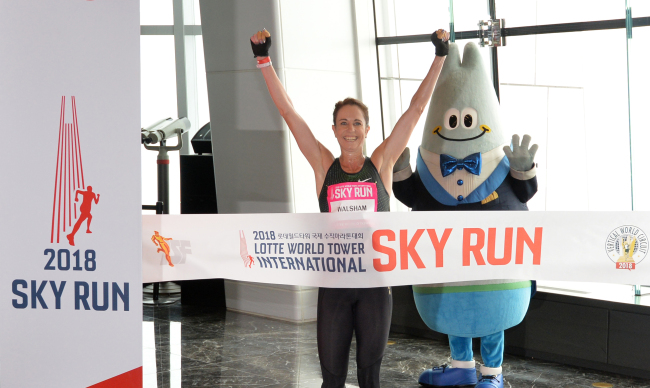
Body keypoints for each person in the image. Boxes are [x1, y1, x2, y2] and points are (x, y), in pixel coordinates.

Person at [250, 28, 449, 388]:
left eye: (357, 122)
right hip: (334, 286)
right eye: (344, 123)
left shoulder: (382, 164)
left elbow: (416, 110)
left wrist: (440, 56)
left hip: (376, 286)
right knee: (332, 380)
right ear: (334, 129)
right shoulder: (325, 166)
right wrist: (263, 59)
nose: (351, 129)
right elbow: (288, 112)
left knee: (370, 378)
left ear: (368, 129)